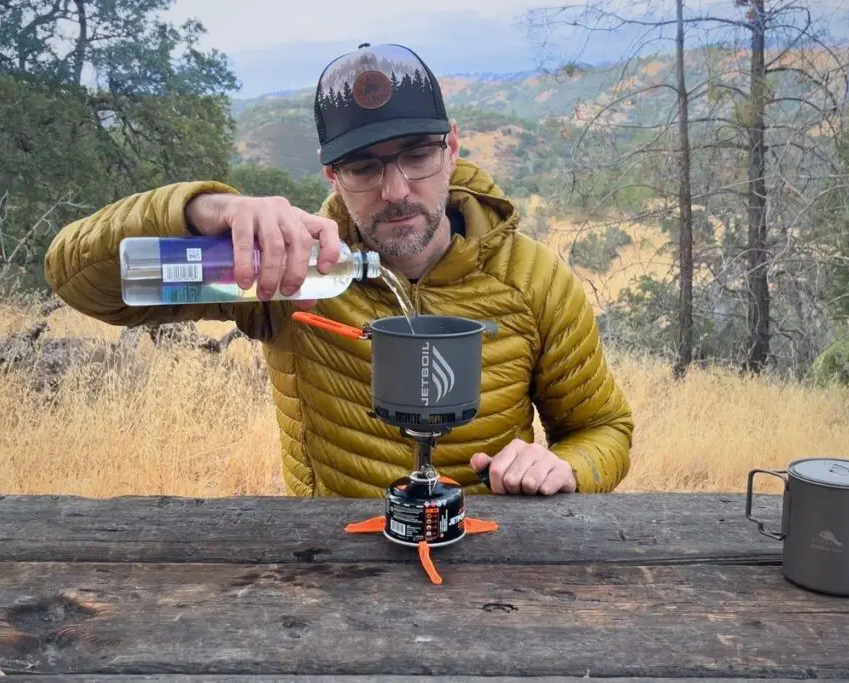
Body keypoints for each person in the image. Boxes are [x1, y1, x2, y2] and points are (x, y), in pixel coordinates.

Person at [44, 42, 634, 497]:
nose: (396, 190)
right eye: (362, 167)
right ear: (332, 176)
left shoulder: (534, 278)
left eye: (418, 155)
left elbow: (603, 426)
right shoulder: (287, 269)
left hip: (495, 560)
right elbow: (81, 283)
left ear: (452, 147)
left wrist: (566, 464)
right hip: (329, 567)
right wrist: (204, 209)